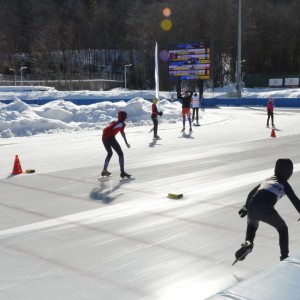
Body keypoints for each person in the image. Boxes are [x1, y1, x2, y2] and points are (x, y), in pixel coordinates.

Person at [236, 158, 300, 262]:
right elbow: (295, 200)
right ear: (288, 172)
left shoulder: (267, 180)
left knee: (252, 226)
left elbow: (252, 192)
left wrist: (246, 207)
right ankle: (284, 256)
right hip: (265, 208)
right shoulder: (284, 184)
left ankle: (248, 244)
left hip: (252, 205)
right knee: (283, 229)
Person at [101, 110, 131, 178]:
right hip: (110, 138)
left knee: (109, 153)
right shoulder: (122, 124)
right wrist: (126, 143)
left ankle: (104, 171)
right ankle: (122, 173)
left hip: (104, 138)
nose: (126, 118)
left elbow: (106, 129)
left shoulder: (114, 122)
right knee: (120, 154)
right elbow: (122, 133)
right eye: (126, 116)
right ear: (124, 117)